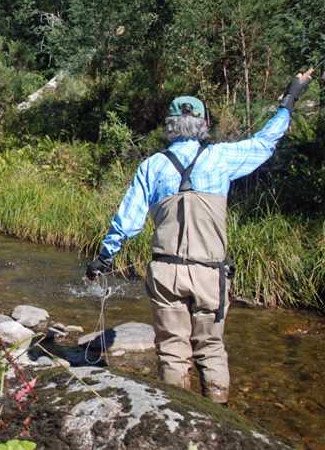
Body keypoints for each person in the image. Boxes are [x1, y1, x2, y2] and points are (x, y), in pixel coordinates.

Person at [86, 68, 315, 404]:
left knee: (172, 352)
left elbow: (128, 221)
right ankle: (219, 417)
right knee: (210, 349)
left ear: (170, 125)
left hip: (166, 272)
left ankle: (180, 419)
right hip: (210, 272)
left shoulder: (151, 166)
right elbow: (267, 141)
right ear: (204, 124)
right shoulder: (221, 158)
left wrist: (104, 258)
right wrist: (292, 96)